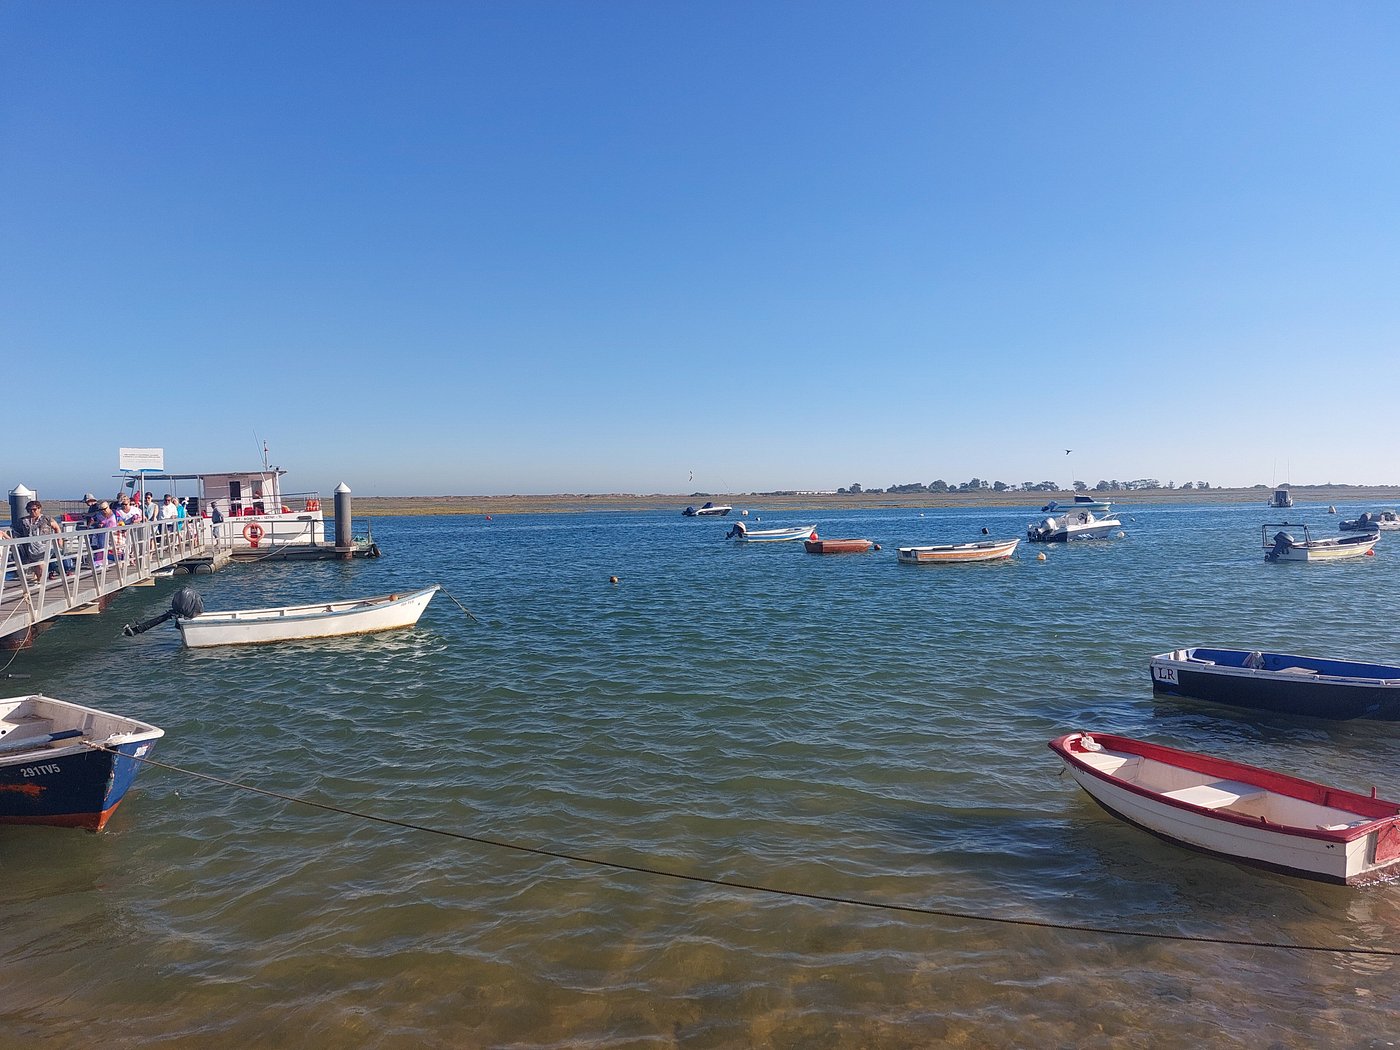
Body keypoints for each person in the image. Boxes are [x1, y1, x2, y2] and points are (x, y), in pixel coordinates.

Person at [14, 499, 62, 583]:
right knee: (35, 565)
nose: (32, 511)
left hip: (44, 546)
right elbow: (16, 532)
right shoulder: (23, 521)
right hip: (29, 546)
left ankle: (41, 582)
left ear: (39, 509)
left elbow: (56, 528)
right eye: (29, 510)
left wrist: (59, 539)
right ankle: (40, 580)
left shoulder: (46, 519)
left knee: (40, 563)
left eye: (34, 509)